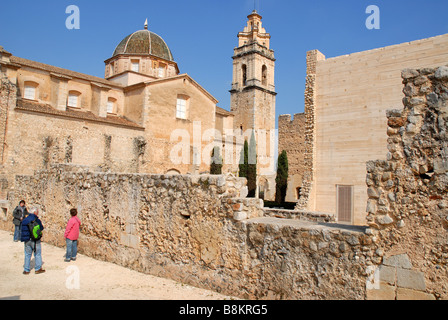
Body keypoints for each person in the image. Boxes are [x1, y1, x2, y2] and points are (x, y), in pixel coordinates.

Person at [21, 207, 45, 275]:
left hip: (27, 240)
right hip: (35, 240)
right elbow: (41, 228)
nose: (37, 213)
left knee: (27, 254)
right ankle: (38, 269)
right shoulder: (36, 220)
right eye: (37, 211)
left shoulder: (25, 220)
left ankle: (26, 270)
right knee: (37, 254)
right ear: (35, 212)